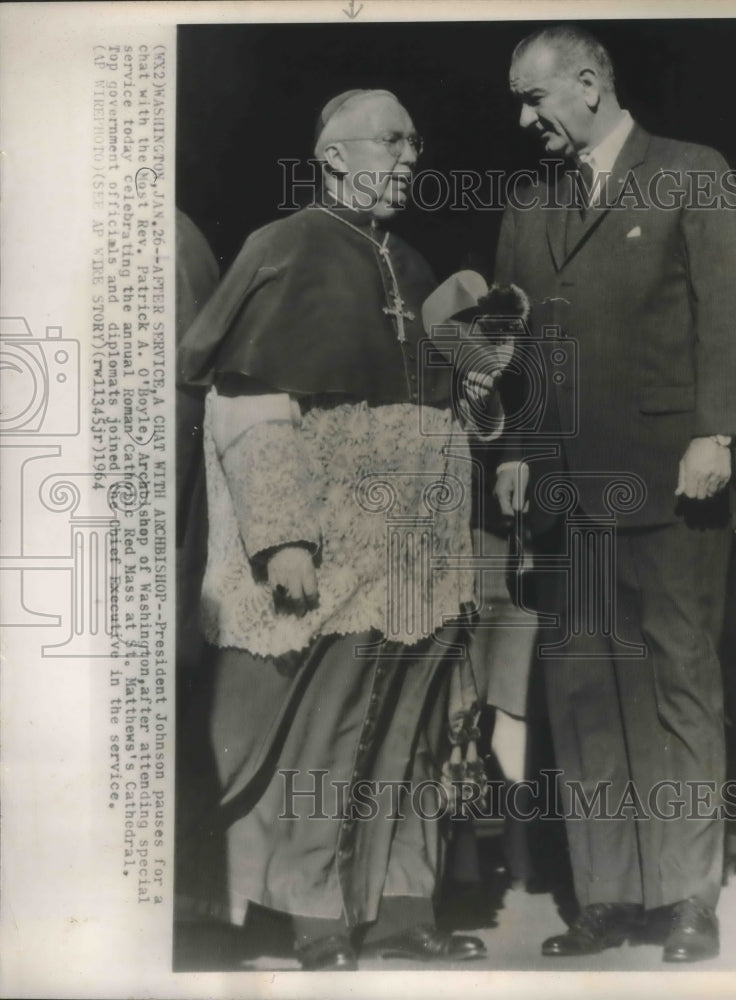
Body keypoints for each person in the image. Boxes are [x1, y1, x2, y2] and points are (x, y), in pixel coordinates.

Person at [176, 89, 491, 971]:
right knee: (332, 731)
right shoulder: (283, 249)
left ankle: (400, 908)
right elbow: (248, 405)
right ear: (335, 156)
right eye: (391, 140)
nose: (409, 156)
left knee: (414, 735)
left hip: (421, 551)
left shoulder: (415, 264)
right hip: (338, 546)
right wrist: (283, 540)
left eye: (414, 140)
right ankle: (314, 912)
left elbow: (452, 401)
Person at [494, 26, 736, 962]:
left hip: (672, 481)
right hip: (569, 490)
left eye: (535, 99)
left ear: (591, 83)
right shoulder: (531, 207)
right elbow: (522, 346)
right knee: (584, 694)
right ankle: (606, 900)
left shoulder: (693, 171)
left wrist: (714, 432)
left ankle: (687, 897)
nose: (526, 121)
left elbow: (727, 313)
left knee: (680, 684)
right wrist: (521, 447)